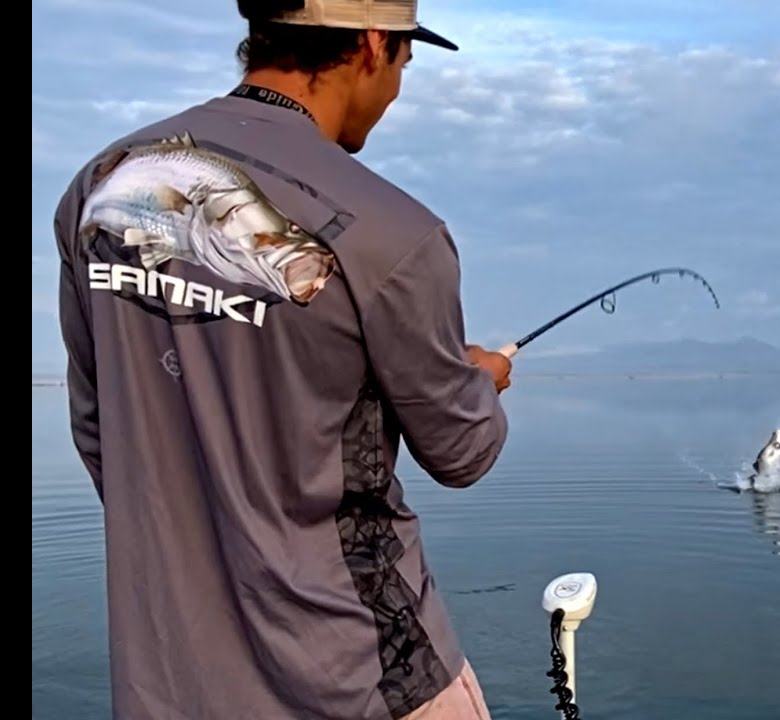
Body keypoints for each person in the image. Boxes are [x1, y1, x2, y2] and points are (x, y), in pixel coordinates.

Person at [52, 1, 512, 717]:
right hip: (366, 675)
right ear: (369, 46)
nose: (395, 90)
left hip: (169, 686)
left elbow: (98, 428)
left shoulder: (98, 185)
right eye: (405, 63)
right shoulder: (396, 233)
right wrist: (479, 381)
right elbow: (463, 453)